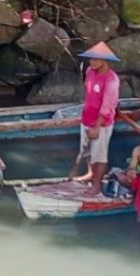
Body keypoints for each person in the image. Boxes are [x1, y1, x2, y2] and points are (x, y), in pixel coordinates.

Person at [69, 41, 121, 196]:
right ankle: (90, 174)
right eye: (90, 59)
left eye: (94, 59)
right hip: (87, 117)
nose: (91, 62)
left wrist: (97, 125)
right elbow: (89, 94)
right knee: (87, 151)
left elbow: (108, 105)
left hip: (101, 124)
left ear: (104, 61)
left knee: (99, 155)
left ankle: (97, 184)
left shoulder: (111, 80)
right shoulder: (90, 72)